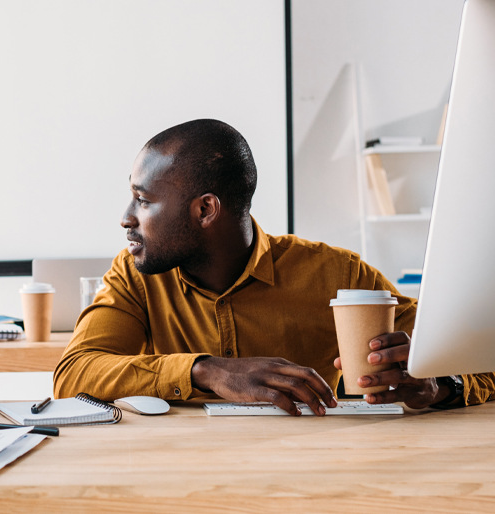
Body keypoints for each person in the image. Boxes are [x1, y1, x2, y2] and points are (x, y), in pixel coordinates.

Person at [53, 119, 494, 415]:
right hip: (179, 475)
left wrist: (444, 385)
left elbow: (481, 361)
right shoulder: (134, 277)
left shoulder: (337, 274)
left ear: (206, 209)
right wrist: (206, 369)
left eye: (144, 200)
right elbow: (74, 375)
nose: (127, 216)